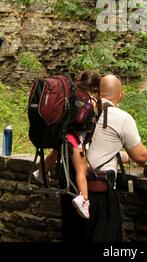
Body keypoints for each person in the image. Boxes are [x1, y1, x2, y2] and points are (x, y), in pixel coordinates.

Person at [60, 74, 147, 242]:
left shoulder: (82, 111)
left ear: (99, 93)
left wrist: (122, 157)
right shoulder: (122, 118)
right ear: (121, 95)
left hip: (70, 188)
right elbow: (140, 156)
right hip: (98, 194)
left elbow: (98, 147)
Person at [33, 70, 101, 219]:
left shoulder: (70, 92)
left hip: (59, 133)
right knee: (81, 170)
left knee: (55, 153)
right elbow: (83, 123)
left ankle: (41, 172)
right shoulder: (89, 100)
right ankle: (83, 200)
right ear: (96, 88)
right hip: (73, 138)